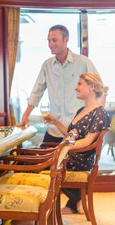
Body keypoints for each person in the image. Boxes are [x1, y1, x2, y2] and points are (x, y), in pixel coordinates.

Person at [18, 24, 99, 143]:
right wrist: (25, 116)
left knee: (70, 161)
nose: (50, 44)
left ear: (66, 40)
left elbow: (99, 90)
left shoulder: (83, 62)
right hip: (54, 130)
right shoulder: (47, 65)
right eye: (49, 40)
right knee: (43, 159)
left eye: (54, 40)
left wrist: (96, 120)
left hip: (77, 131)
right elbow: (37, 91)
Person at [44, 73, 110, 214]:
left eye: (80, 84)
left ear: (91, 86)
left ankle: (34, 210)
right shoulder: (82, 110)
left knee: (35, 165)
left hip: (80, 159)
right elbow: (70, 135)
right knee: (35, 159)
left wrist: (61, 149)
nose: (76, 87)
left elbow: (87, 141)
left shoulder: (99, 112)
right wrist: (55, 121)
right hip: (72, 155)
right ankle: (76, 200)